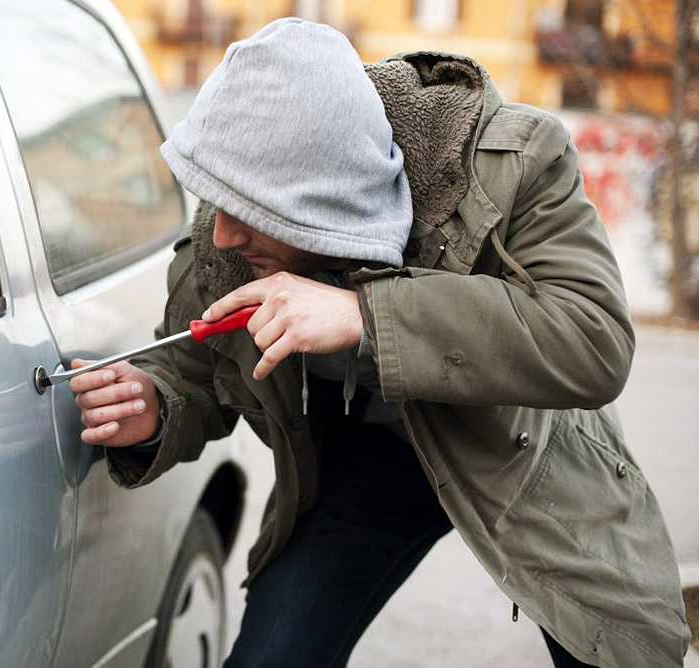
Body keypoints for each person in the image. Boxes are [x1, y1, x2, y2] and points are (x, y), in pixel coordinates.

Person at [69, 18, 691, 668]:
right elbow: (198, 365)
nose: (222, 235)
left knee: (621, 655)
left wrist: (365, 315)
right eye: (216, 201)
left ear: (322, 199)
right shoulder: (228, 238)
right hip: (372, 465)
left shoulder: (514, 162)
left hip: (524, 452)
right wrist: (155, 403)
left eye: (247, 211)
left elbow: (592, 338)